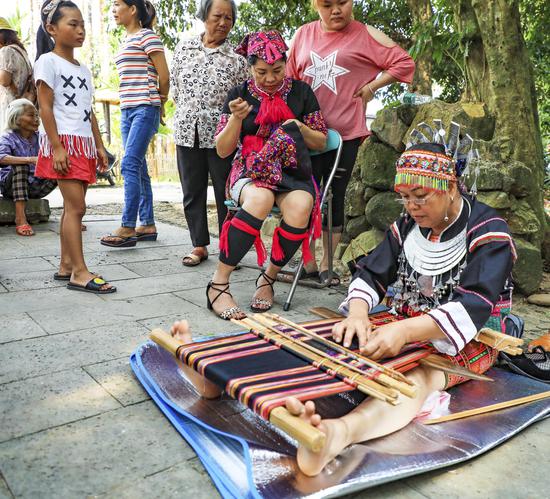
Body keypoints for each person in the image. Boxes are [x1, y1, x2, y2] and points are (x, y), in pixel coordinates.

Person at [170, 123, 516, 476]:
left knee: (422, 376)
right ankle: (218, 376)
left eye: (420, 196)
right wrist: (357, 314)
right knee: (329, 338)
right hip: (404, 318)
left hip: (471, 338)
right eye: (405, 196)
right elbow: (372, 273)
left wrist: (404, 333)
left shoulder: (489, 230)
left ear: (451, 187)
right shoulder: (409, 225)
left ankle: (337, 434)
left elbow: (473, 303)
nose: (411, 206)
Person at [287, 0, 415, 285]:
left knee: (334, 196)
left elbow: (404, 62)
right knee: (305, 194)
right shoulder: (303, 35)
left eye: (342, 2)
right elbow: (289, 79)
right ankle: (306, 261)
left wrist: (371, 87)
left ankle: (326, 264)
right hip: (307, 135)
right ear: (315, 6)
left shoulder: (364, 34)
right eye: (326, 4)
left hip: (345, 135)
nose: (336, 10)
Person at [207, 30, 328, 319]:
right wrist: (236, 118)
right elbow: (223, 150)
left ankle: (268, 278)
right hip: (250, 169)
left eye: (276, 70)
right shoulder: (239, 95)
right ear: (250, 68)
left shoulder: (301, 92)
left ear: (286, 63)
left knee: (301, 205)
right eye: (261, 72)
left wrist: (297, 126)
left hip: (291, 169)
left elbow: (321, 140)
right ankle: (218, 285)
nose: (270, 78)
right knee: (260, 199)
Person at [35, 0, 115, 293]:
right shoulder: (47, 61)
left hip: (82, 144)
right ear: (52, 29)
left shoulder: (83, 69)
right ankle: (80, 273)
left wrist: (100, 146)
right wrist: (56, 147)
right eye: (73, 24)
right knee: (76, 207)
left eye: (83, 24)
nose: (81, 30)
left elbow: (89, 111)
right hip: (64, 143)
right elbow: (44, 107)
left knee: (73, 208)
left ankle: (66, 264)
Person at [171, 0, 248, 267]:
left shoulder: (237, 60)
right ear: (205, 16)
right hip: (186, 130)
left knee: (225, 193)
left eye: (229, 18)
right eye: (218, 16)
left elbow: (241, 100)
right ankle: (199, 245)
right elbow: (176, 89)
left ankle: (228, 248)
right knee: (192, 190)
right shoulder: (183, 48)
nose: (224, 22)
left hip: (222, 136)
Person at [101, 0, 169, 248]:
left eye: (117, 4)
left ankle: (128, 226)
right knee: (138, 168)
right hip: (127, 109)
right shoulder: (125, 41)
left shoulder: (147, 36)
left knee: (129, 163)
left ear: (133, 9)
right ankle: (147, 224)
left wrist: (160, 103)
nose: (113, 9)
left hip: (145, 107)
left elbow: (164, 75)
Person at [0, 99, 57, 235]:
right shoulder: (8, 138)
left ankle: (71, 217)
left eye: (37, 115)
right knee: (21, 166)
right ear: (17, 118)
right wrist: (29, 160)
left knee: (62, 165)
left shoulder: (42, 138)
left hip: (37, 186)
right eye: (31, 115)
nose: (36, 119)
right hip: (12, 188)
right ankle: (20, 219)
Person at [0, 18, 34, 130]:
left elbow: (4, 81)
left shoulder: (6, 51)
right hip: (22, 104)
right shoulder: (22, 52)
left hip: (9, 105)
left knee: (7, 141)